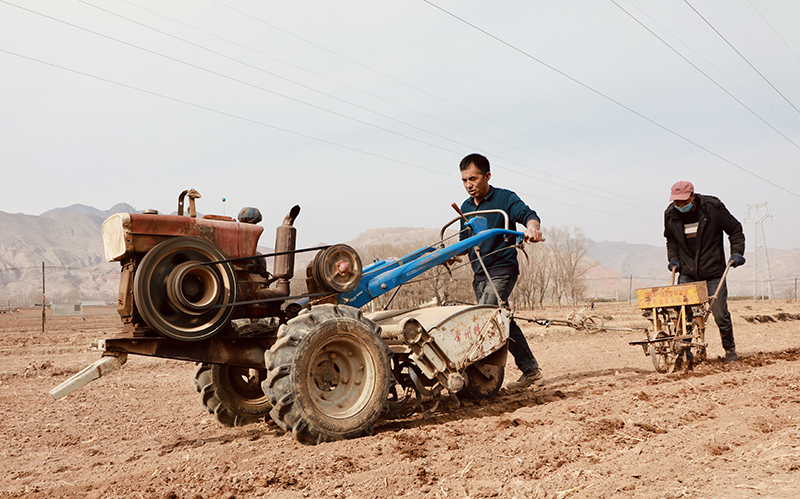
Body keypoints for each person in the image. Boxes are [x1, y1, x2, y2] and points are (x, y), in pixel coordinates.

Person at [456, 153, 545, 388]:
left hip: (502, 268)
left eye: (473, 179)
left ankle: (473, 373)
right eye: (464, 180)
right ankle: (531, 370)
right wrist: (452, 256)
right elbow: (463, 242)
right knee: (502, 319)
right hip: (479, 273)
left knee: (485, 314)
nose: (469, 185)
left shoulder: (504, 198)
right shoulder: (465, 207)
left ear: (487, 176)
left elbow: (529, 216)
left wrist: (532, 229)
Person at [663, 181, 746, 362]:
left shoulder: (712, 208)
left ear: (692, 196)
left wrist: (737, 253)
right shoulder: (670, 214)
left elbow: (735, 230)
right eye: (676, 202)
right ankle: (685, 353)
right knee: (684, 316)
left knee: (720, 314)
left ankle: (730, 350)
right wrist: (673, 258)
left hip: (713, 271)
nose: (680, 206)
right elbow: (671, 239)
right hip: (687, 272)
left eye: (684, 202)